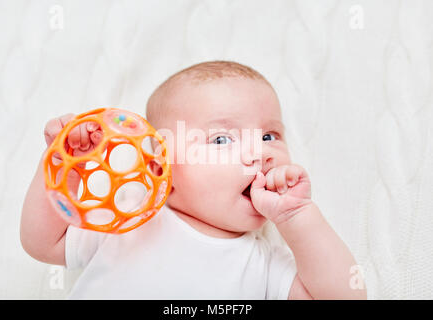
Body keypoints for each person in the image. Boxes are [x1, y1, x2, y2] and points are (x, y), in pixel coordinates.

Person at [21, 61, 366, 299]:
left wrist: (297, 217)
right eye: (221, 140)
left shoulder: (263, 262)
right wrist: (66, 162)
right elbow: (43, 243)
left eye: (269, 136)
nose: (260, 154)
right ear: (162, 164)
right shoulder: (129, 219)